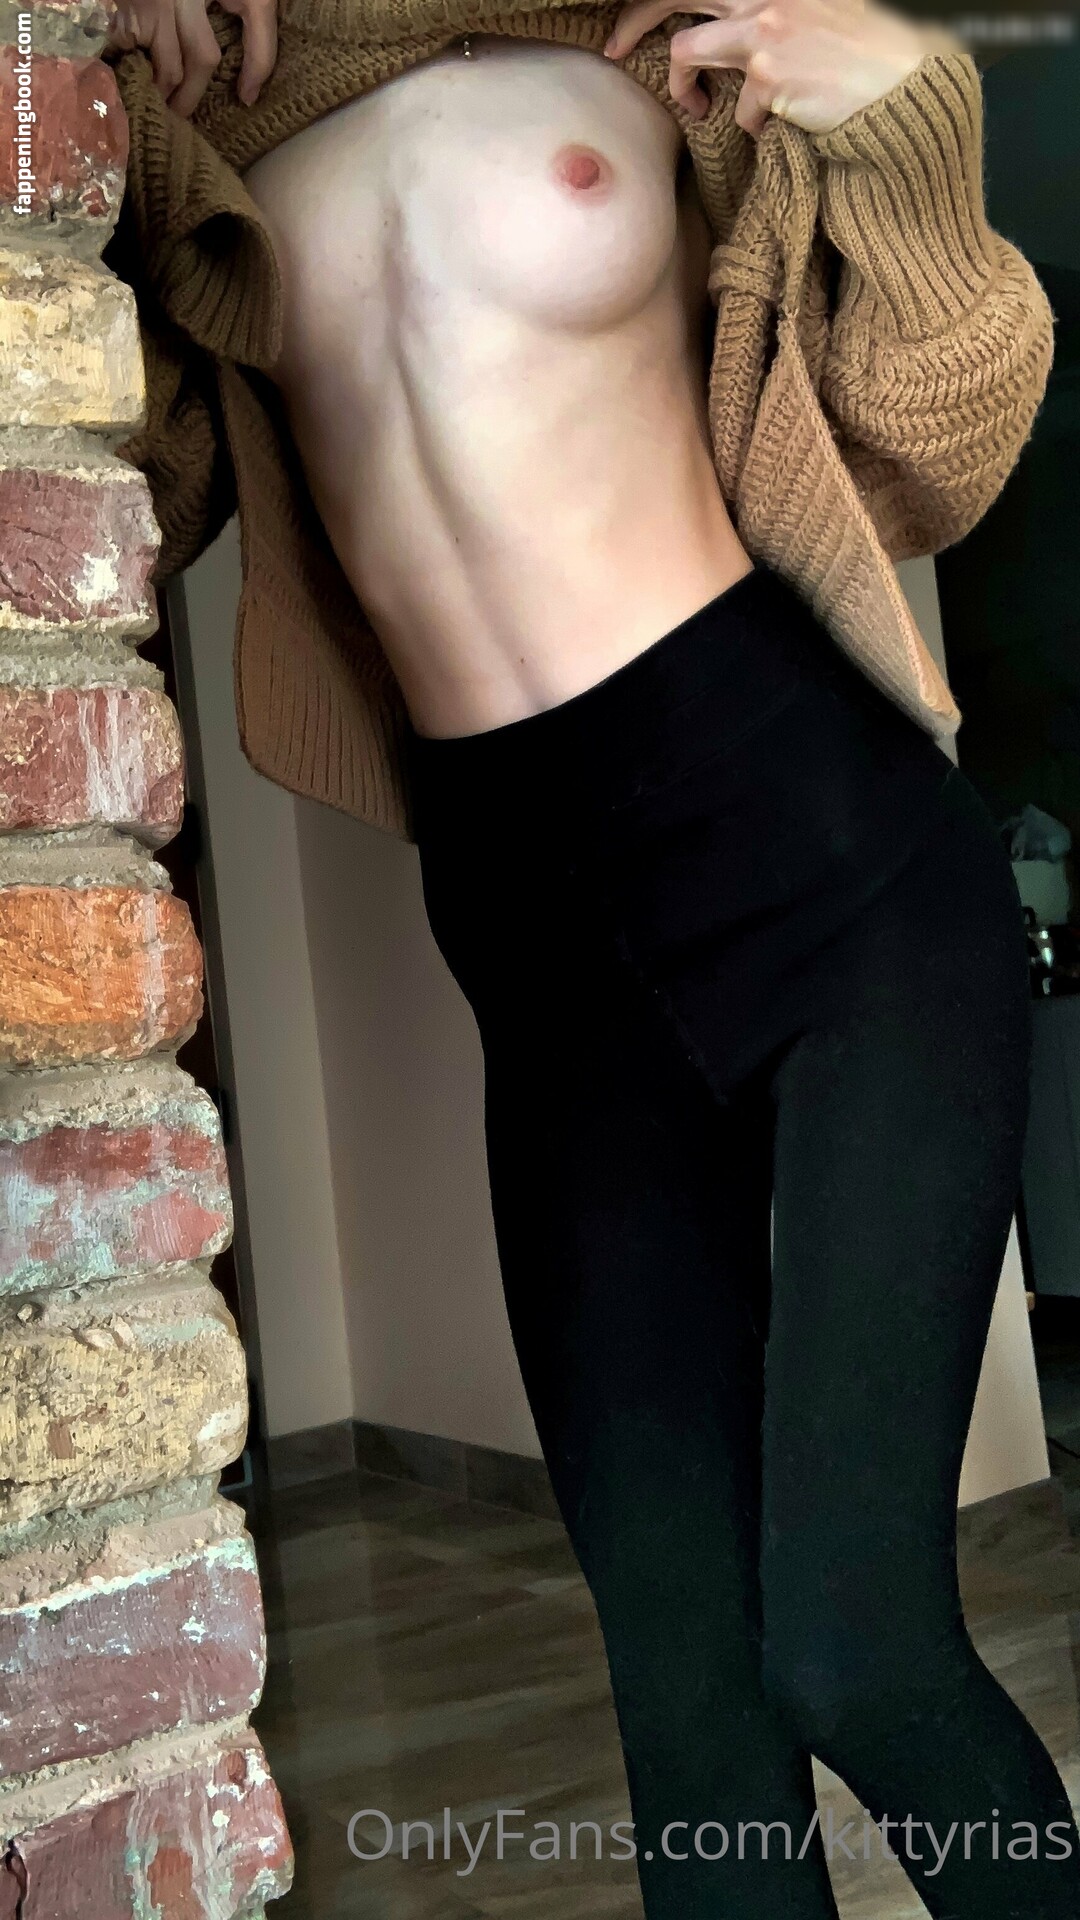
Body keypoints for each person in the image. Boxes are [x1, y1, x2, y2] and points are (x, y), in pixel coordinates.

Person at [107, 1, 1079, 1913]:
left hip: (837, 880)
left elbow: (941, 445)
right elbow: (131, 493)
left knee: (855, 1645)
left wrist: (912, 110)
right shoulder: (214, 98)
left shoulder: (668, 46)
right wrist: (83, 85)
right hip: (551, 964)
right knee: (689, 1718)